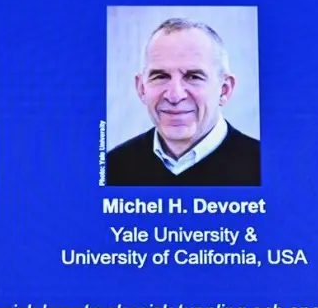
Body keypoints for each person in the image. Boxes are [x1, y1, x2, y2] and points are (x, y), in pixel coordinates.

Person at [105, 18, 261, 186]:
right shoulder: (112, 168)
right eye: (160, 76)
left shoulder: (264, 168)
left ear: (224, 90)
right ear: (142, 88)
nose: (175, 96)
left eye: (193, 77)